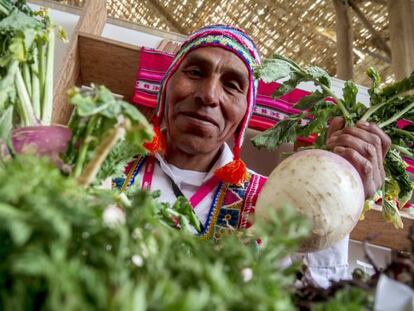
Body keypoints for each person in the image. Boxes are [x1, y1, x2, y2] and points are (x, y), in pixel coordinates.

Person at [114, 25, 391, 287]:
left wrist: (341, 197)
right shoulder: (107, 168)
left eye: (232, 85)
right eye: (196, 72)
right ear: (167, 85)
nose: (209, 95)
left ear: (245, 112)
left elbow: (312, 293)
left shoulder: (277, 201)